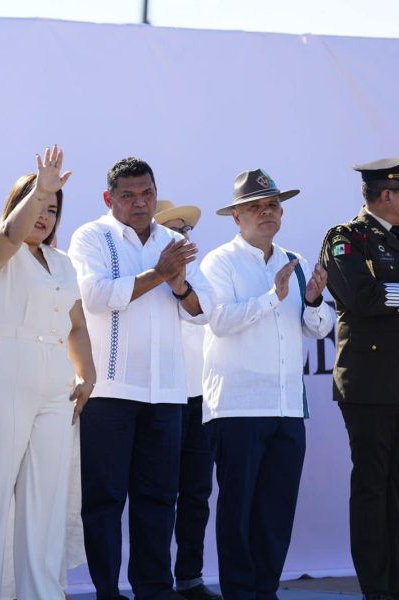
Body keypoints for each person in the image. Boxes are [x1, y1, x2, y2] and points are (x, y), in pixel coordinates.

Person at [0, 146, 95, 600]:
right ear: (16, 206)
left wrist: (86, 375)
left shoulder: (64, 262)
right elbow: (4, 244)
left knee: (46, 508)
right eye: (36, 204)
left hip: (54, 386)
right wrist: (40, 189)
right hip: (2, 375)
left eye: (52, 208)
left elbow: (76, 323)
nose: (44, 215)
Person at [68, 158, 212, 600]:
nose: (139, 203)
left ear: (156, 192)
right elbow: (95, 297)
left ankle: (154, 590)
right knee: (105, 501)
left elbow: (203, 309)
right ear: (108, 199)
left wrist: (181, 286)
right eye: (127, 195)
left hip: (166, 394)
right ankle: (108, 592)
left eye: (146, 193)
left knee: (158, 500)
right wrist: (160, 274)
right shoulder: (91, 236)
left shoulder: (173, 241)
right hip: (109, 391)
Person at [200, 169, 333, 600]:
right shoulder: (219, 262)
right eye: (255, 206)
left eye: (273, 205)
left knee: (276, 509)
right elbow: (218, 321)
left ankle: (266, 590)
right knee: (238, 509)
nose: (267, 213)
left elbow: (318, 327)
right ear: (236, 217)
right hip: (238, 406)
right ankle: (240, 593)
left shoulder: (292, 260)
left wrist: (312, 300)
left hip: (287, 407)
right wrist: (270, 299)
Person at [320, 148, 399, 600]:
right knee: (372, 488)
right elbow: (360, 297)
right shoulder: (346, 238)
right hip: (370, 386)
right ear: (386, 195)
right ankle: (376, 588)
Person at [154, 201, 220, 600]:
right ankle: (156, 579)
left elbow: (209, 316)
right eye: (172, 230)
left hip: (200, 398)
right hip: (160, 398)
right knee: (158, 494)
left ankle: (190, 578)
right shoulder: (146, 273)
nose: (183, 237)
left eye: (186, 230)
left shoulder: (203, 271)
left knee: (196, 494)